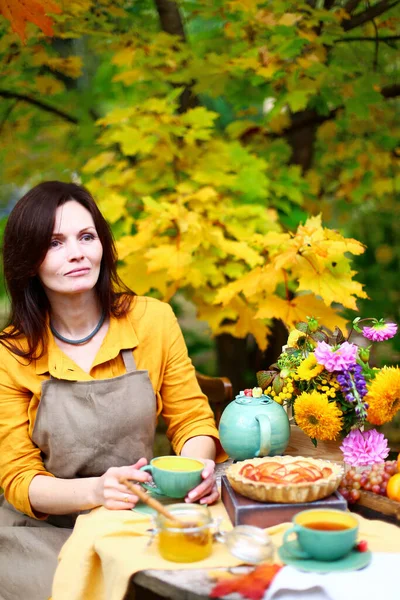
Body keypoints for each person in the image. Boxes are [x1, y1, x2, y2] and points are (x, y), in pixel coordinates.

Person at [0, 181, 224, 600]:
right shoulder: (9, 355)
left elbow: (192, 419)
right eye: (55, 243)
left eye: (87, 236)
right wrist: (96, 490)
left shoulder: (152, 320)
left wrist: (194, 473)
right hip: (44, 533)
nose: (77, 253)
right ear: (29, 261)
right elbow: (18, 478)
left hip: (142, 514)